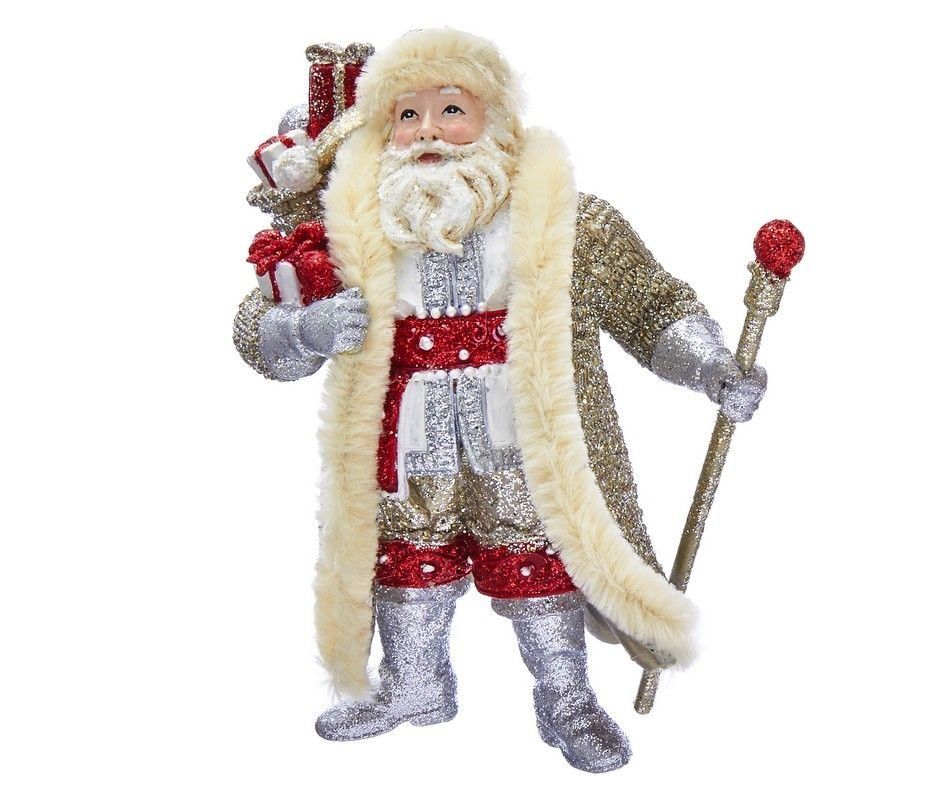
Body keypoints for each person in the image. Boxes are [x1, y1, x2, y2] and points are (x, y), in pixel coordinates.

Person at [232, 27, 766, 773]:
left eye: (451, 110)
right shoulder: (348, 230)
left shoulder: (564, 222)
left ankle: (567, 699)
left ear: (495, 118)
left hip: (519, 435)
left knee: (537, 554)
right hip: (406, 441)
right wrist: (304, 328)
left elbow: (649, 305)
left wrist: (710, 366)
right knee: (406, 554)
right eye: (408, 115)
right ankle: (414, 685)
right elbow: (258, 327)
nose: (428, 132)